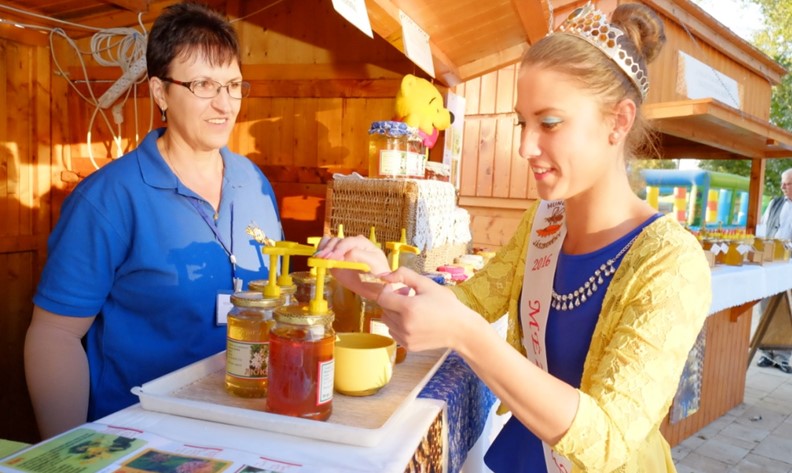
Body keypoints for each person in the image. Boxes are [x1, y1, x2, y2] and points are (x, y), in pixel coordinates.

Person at [316, 3, 711, 471]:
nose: (525, 146)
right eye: (522, 122)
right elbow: (469, 303)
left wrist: (469, 338)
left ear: (618, 121)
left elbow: (608, 441)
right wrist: (377, 278)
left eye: (549, 123)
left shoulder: (670, 264)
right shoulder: (544, 224)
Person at [25, 1, 282, 439]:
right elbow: (54, 336)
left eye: (234, 85)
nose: (225, 104)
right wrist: (65, 456)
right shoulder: (107, 199)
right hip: (140, 436)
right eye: (204, 84)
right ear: (161, 93)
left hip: (247, 423)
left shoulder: (254, 182)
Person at [756, 168, 792, 373]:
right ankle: (766, 353)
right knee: (767, 307)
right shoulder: (774, 203)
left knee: (788, 310)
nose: (782, 187)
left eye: (786, 183)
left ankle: (783, 356)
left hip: (790, 266)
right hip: (771, 264)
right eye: (782, 183)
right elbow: (763, 229)